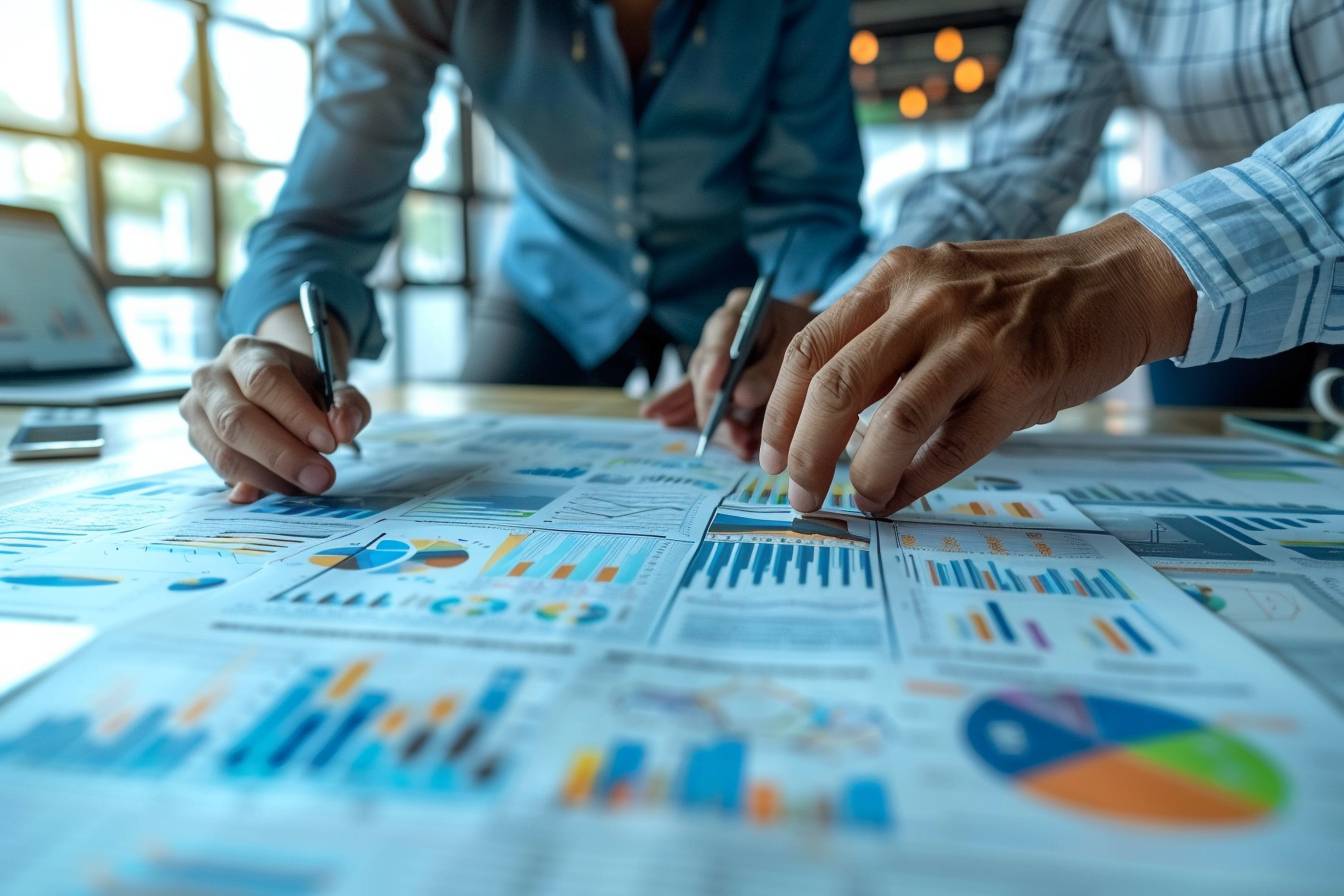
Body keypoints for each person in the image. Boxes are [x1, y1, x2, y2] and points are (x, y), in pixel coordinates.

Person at [649, 0, 1344, 513]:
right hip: (1224, 306)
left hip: (1208, 273)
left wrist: (1134, 268)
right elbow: (1015, 168)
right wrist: (859, 318)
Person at [181, 0, 865, 503]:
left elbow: (808, 204)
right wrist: (285, 347)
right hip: (551, 282)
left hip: (739, 293)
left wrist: (796, 321)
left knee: (781, 452)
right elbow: (324, 213)